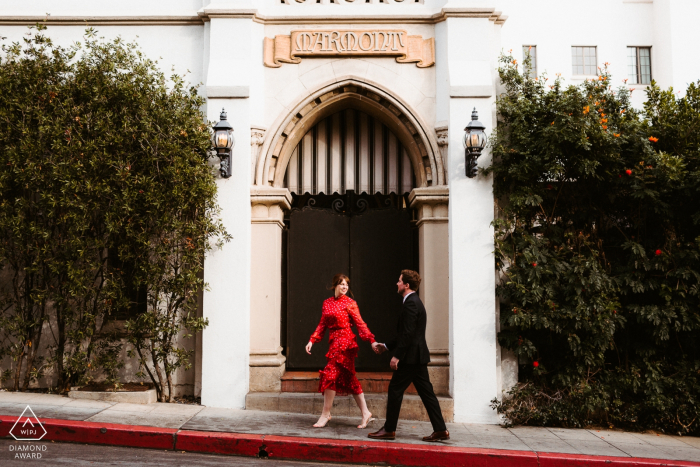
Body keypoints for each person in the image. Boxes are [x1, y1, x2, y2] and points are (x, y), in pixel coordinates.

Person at [368, 269, 449, 442]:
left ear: (406, 285)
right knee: (427, 393)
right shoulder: (413, 302)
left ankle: (389, 429)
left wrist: (397, 356)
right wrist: (386, 346)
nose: (396, 284)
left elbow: (408, 334)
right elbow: (404, 332)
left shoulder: (411, 303)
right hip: (416, 357)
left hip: (411, 358)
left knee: (395, 389)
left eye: (399, 281)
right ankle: (441, 429)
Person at [306, 273, 376, 429]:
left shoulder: (350, 303)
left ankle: (325, 414)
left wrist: (371, 340)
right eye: (342, 284)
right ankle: (365, 413)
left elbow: (360, 324)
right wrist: (312, 340)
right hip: (334, 342)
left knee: (330, 374)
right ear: (335, 285)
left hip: (346, 343)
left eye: (347, 284)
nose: (345, 287)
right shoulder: (327, 303)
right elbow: (322, 324)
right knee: (349, 378)